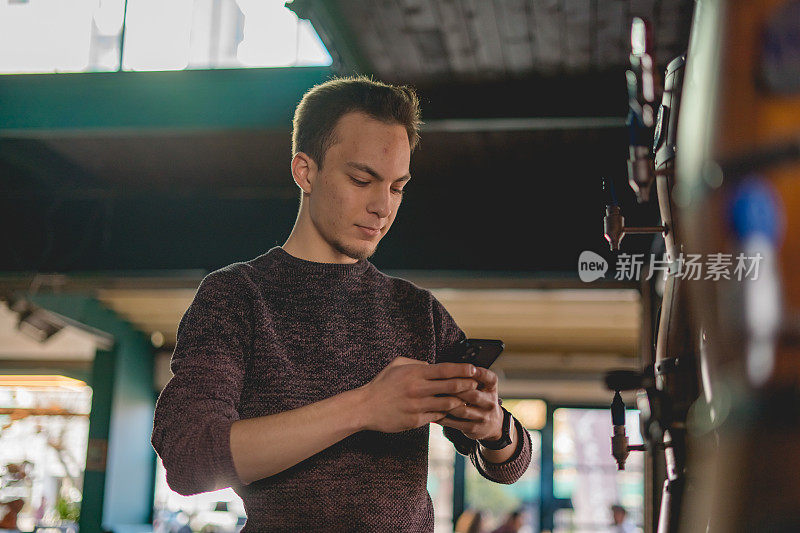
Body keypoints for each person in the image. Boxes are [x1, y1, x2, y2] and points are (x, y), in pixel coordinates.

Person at [151, 75, 532, 532]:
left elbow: (509, 465)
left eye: (396, 188)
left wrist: (495, 428)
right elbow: (189, 459)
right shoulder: (237, 297)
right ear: (304, 171)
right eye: (361, 179)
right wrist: (366, 406)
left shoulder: (418, 312)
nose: (382, 207)